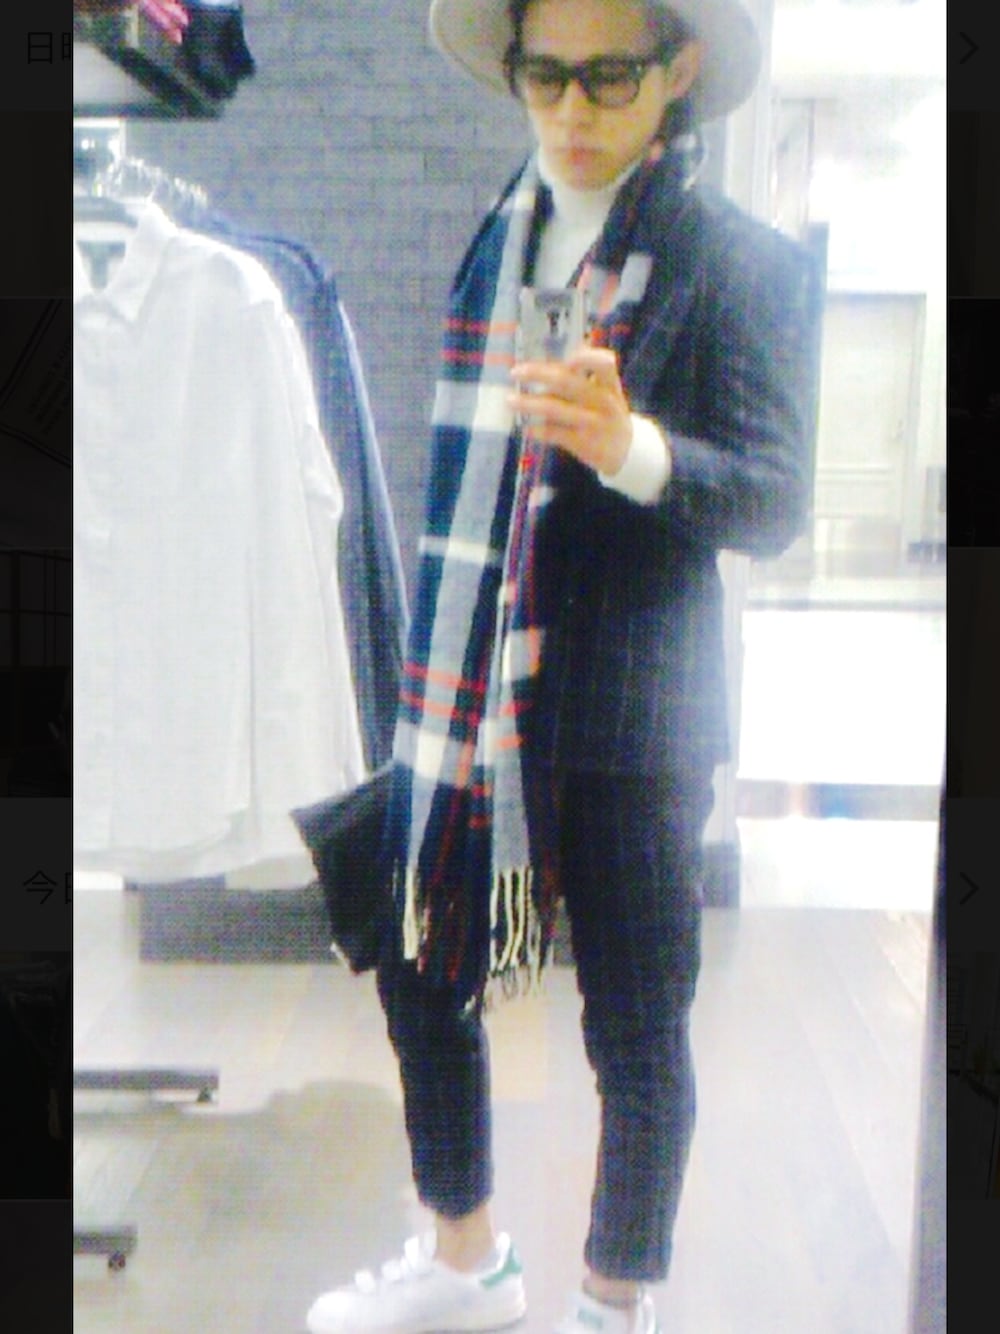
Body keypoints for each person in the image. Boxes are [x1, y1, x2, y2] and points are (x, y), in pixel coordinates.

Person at [306, 0, 820, 1330]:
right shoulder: (502, 233)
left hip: (636, 712)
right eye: (545, 76)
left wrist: (630, 447)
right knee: (422, 968)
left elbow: (773, 500)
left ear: (679, 69)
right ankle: (465, 1259)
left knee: (636, 1027)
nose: (574, 112)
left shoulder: (740, 262)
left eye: (608, 78)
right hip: (467, 695)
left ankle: (612, 1299)